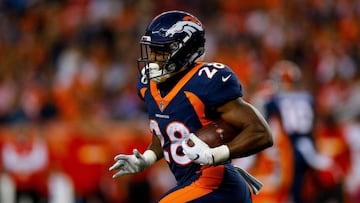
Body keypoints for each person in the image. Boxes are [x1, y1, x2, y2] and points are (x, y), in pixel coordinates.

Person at [109, 10, 273, 203]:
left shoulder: (206, 81)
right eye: (151, 49)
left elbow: (261, 133)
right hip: (194, 186)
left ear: (185, 50)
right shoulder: (148, 84)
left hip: (217, 185)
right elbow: (164, 132)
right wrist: (147, 158)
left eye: (161, 50)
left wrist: (215, 154)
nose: (152, 57)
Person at [264, 60, 336, 203]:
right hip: (309, 144)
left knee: (293, 188)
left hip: (291, 147)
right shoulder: (308, 97)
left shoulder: (275, 100)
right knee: (314, 183)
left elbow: (266, 123)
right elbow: (314, 122)